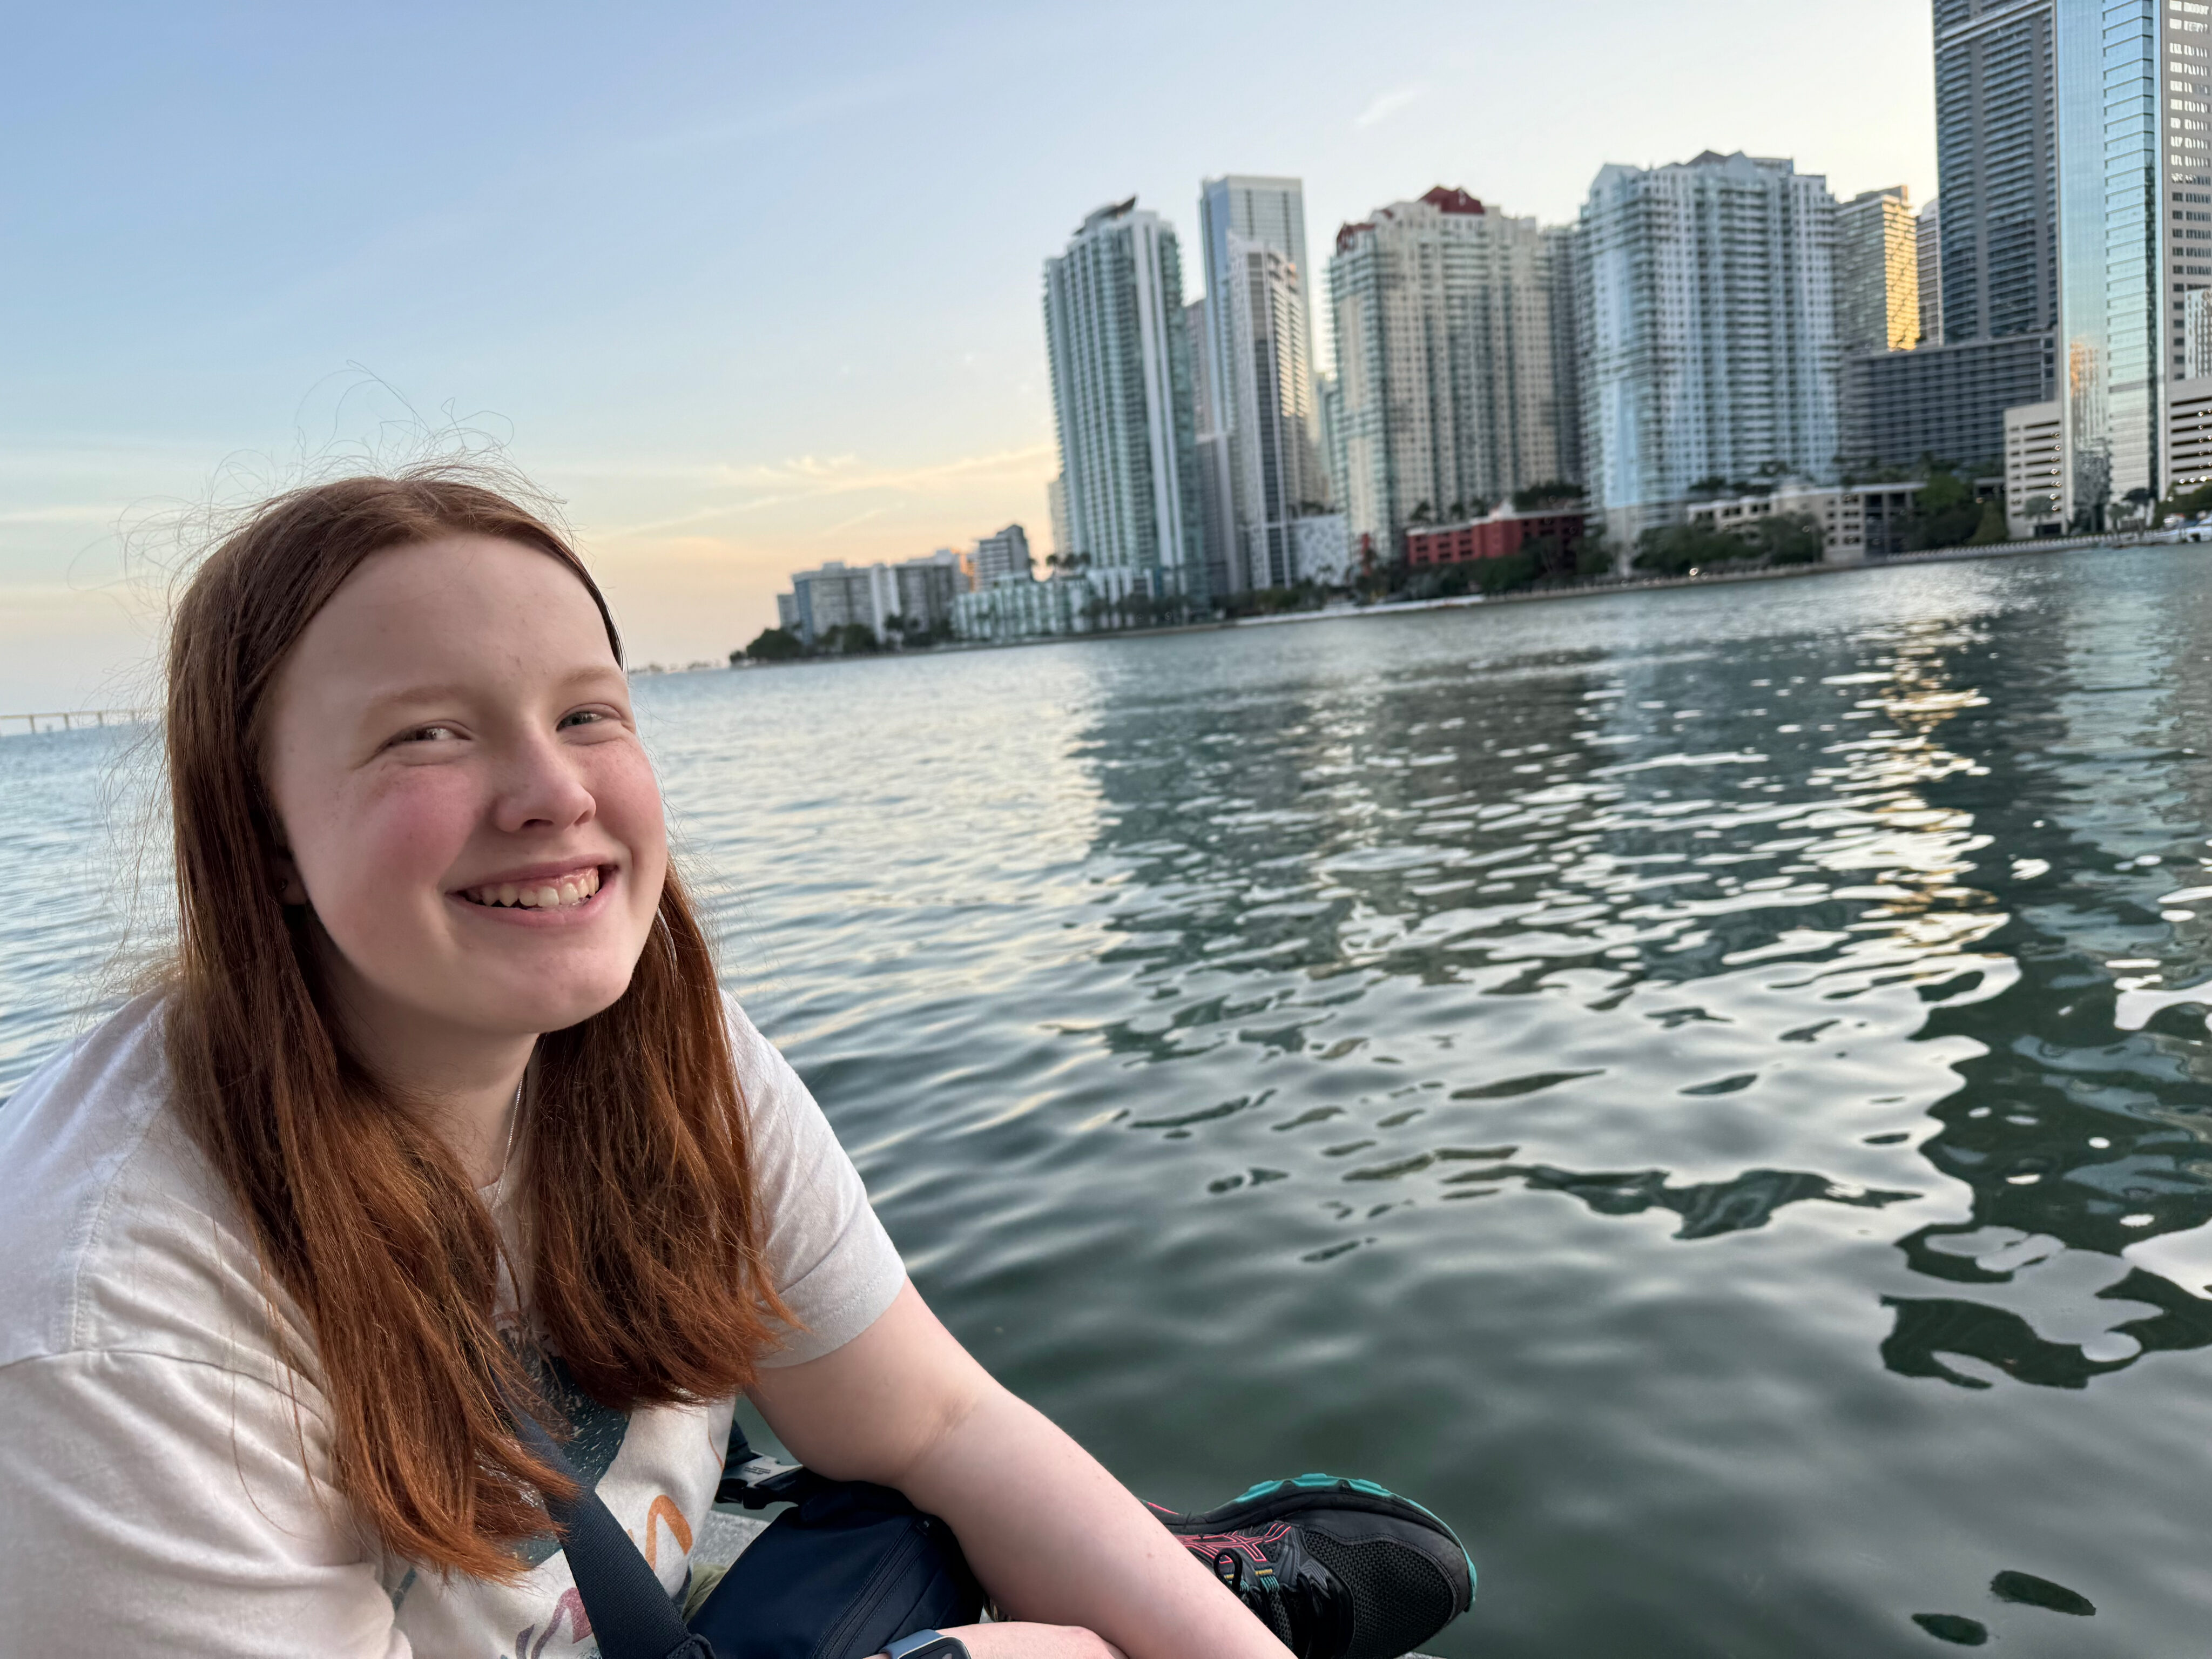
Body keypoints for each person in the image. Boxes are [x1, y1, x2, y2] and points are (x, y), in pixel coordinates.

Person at [0, 471, 1472, 1658]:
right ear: (263, 842)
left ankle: (1136, 1576)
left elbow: (934, 1419)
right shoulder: (108, 1316)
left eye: (587, 712)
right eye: (428, 736)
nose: (554, 792)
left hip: (655, 1610)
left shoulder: (661, 1053)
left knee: (931, 1515)